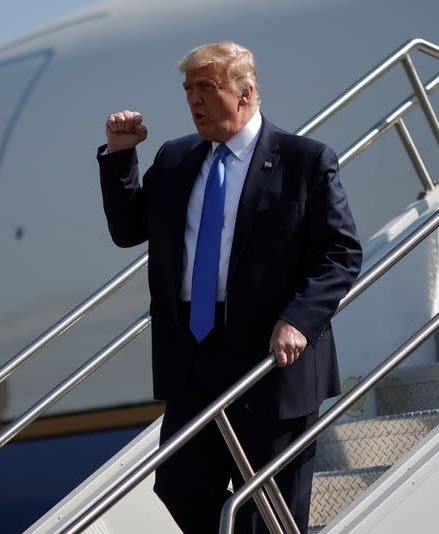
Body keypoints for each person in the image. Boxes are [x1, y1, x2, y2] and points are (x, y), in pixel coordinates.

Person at [96, 41, 362, 533]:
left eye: (206, 88)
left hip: (271, 358)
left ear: (246, 92)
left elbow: (341, 255)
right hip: (194, 356)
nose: (193, 100)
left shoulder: (304, 161)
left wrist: (298, 320)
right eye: (188, 91)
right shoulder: (176, 159)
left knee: (271, 509)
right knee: (177, 485)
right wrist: (119, 157)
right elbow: (128, 230)